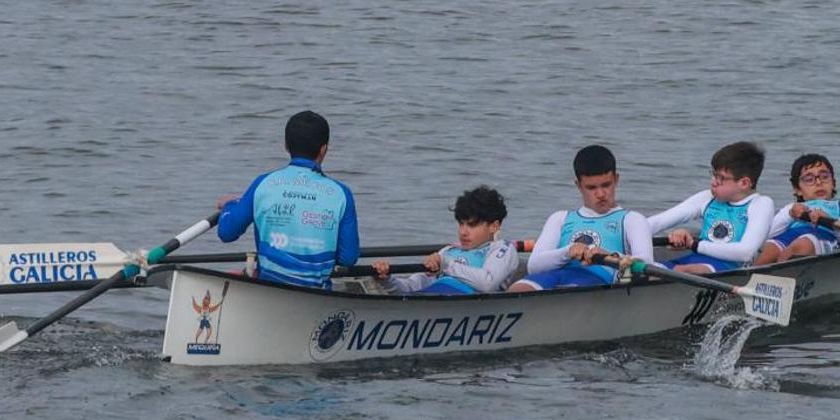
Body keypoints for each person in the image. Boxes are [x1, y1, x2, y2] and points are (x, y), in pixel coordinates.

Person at [215, 110, 360, 288]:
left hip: (270, 292)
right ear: (324, 150)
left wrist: (230, 205)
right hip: (318, 297)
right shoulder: (342, 194)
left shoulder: (263, 184)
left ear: (285, 146)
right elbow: (348, 258)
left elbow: (227, 232)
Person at [508, 145, 654, 292]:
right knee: (518, 288)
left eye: (606, 185)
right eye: (591, 188)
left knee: (568, 292)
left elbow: (647, 264)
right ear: (578, 186)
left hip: (597, 279)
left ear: (616, 180)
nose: (601, 194)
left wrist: (611, 257)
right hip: (555, 275)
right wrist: (568, 251)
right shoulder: (560, 218)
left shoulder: (632, 219)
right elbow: (533, 266)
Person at [646, 141, 775, 274]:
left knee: (682, 270)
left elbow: (745, 253)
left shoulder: (761, 204)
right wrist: (629, 233)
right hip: (696, 259)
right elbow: (659, 222)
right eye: (713, 174)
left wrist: (695, 244)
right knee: (645, 267)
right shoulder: (707, 198)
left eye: (720, 178)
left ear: (744, 183)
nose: (713, 182)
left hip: (730, 267)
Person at [372, 186, 518, 295]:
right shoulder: (448, 251)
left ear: (494, 226)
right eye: (461, 223)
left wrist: (446, 265)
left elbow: (488, 283)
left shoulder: (502, 248)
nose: (463, 232)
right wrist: (386, 279)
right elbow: (410, 288)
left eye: (472, 225)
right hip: (430, 301)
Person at [754, 153, 840, 265]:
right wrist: (790, 215)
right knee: (770, 249)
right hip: (786, 237)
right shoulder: (791, 208)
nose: (819, 183)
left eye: (824, 177)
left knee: (804, 244)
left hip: (821, 238)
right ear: (797, 189)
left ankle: (778, 274)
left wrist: (828, 220)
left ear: (833, 183)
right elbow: (766, 235)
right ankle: (750, 276)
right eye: (809, 179)